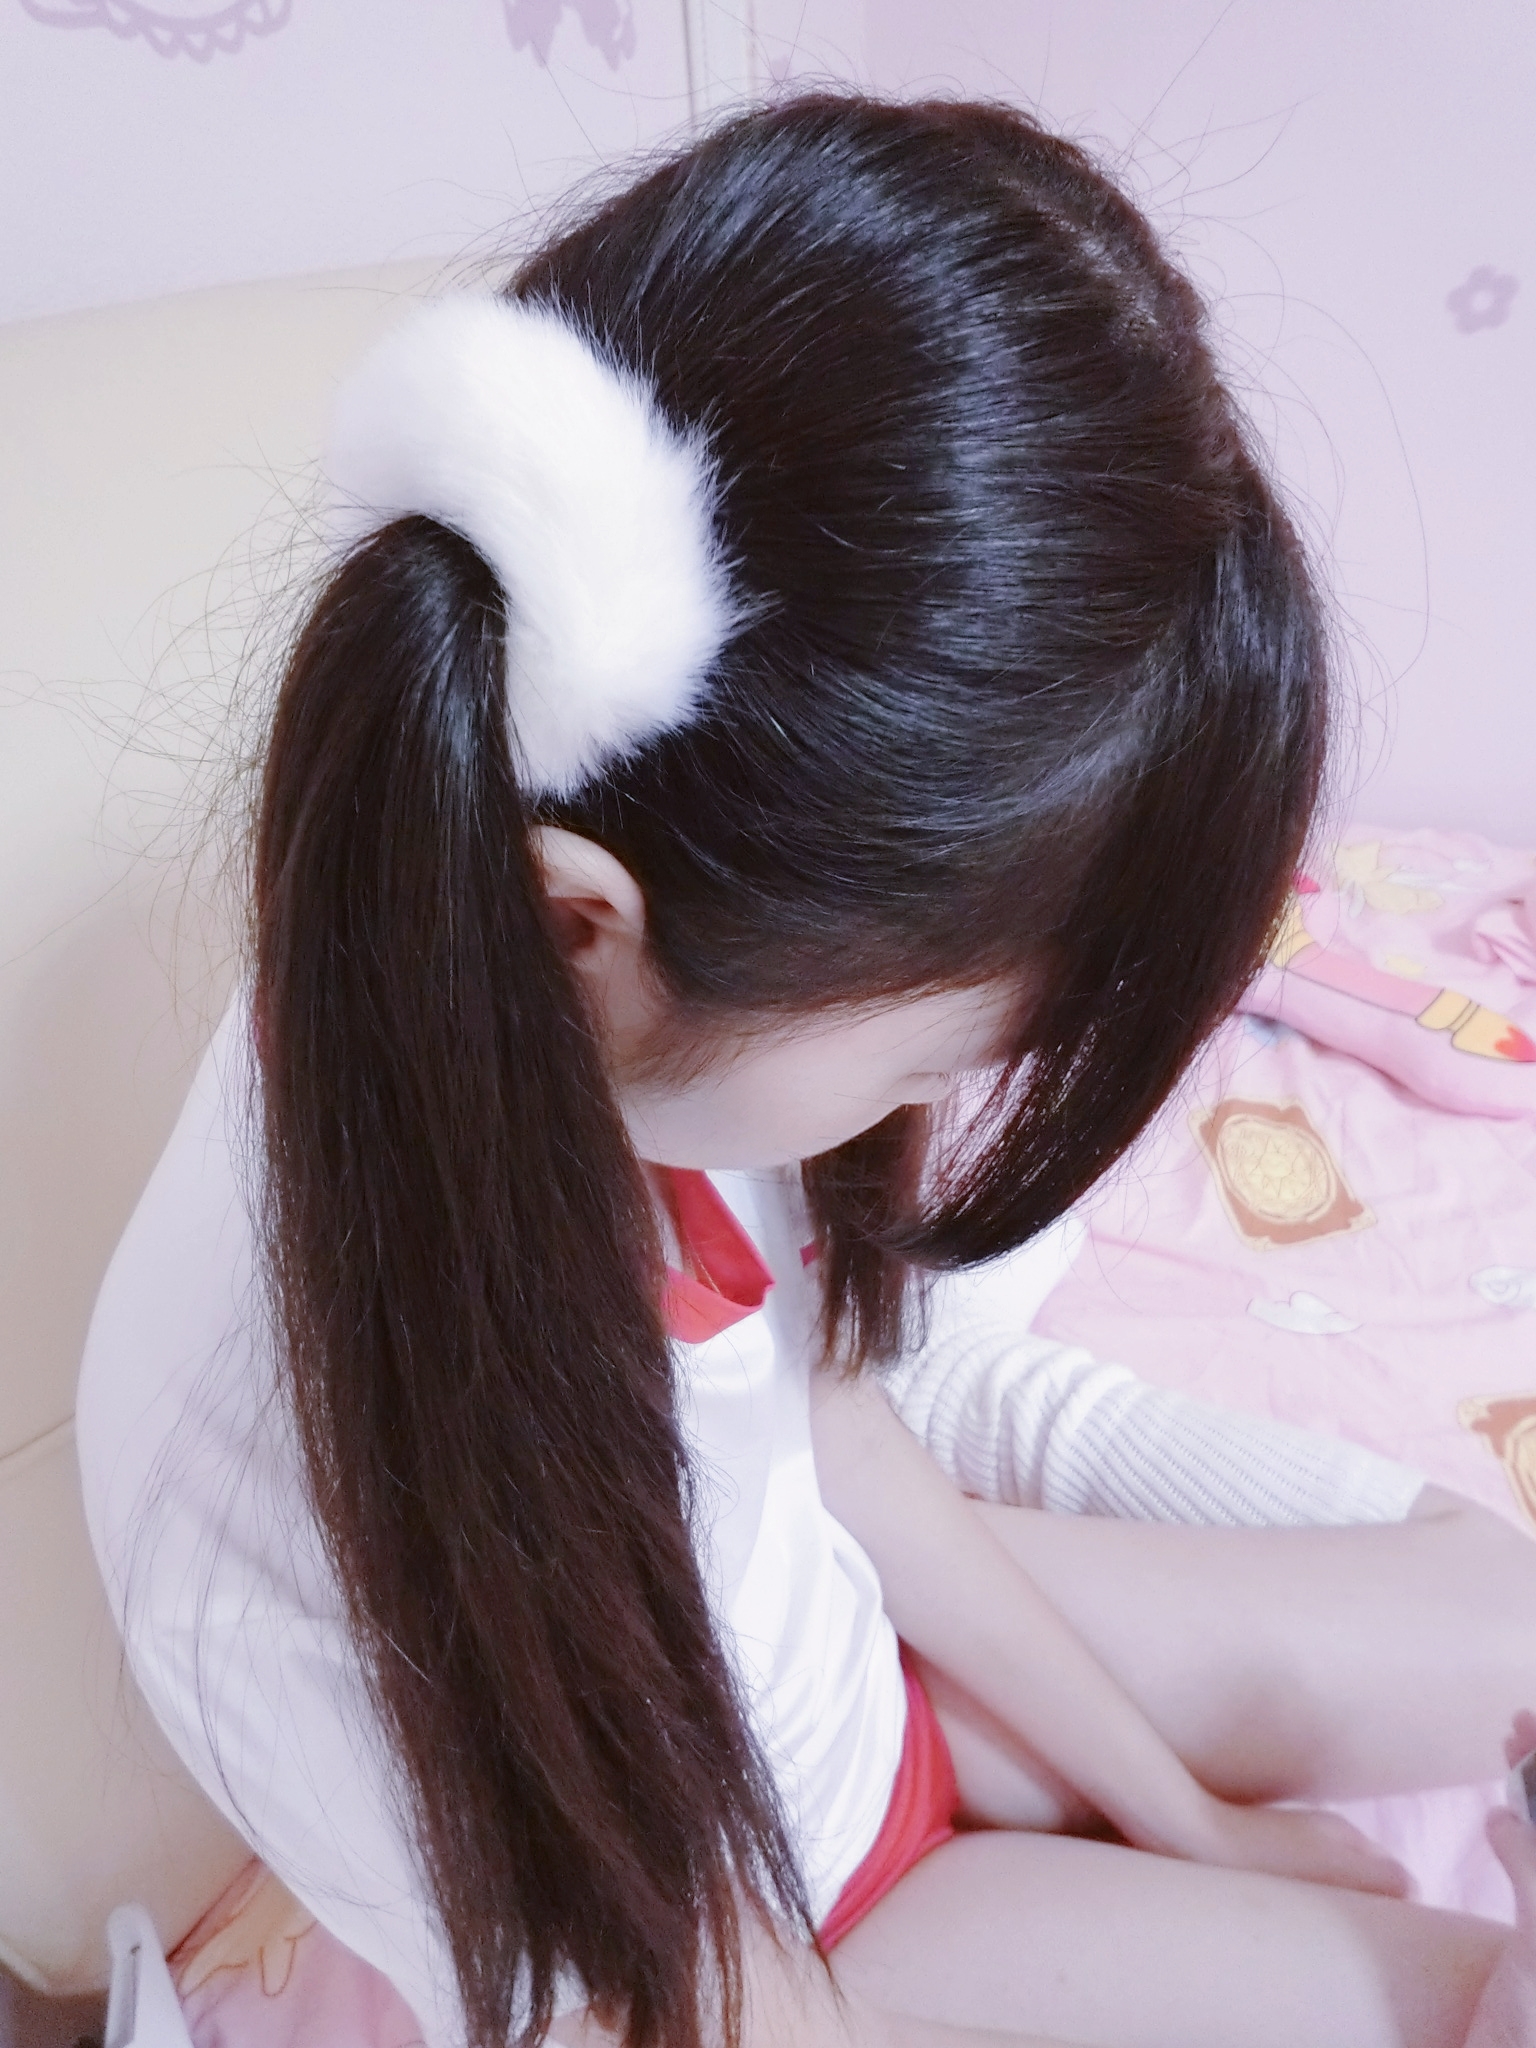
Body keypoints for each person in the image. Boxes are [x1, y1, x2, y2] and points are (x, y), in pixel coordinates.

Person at [74, 90, 1536, 2048]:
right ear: (579, 926)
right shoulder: (323, 1542)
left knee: (1509, 1634)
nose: (942, 1104)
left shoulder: (586, 965)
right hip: (804, 1928)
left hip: (870, 1690)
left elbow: (837, 1437)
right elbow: (714, 1994)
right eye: (942, 1045)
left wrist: (1185, 1813)